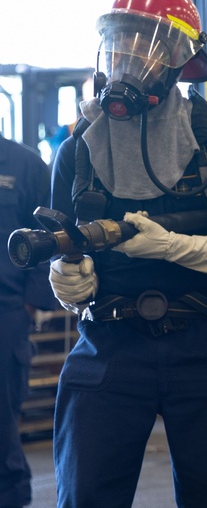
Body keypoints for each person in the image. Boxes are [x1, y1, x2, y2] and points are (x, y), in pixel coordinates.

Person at [47, 0, 207, 507]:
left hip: (205, 343)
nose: (130, 56)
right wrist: (67, 279)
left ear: (181, 60)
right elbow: (61, 250)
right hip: (108, 343)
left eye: (147, 44)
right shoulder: (77, 150)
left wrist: (171, 246)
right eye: (121, 41)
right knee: (84, 495)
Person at [0, 138, 54, 508]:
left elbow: (50, 237)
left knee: (2, 428)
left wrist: (31, 306)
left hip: (6, 315)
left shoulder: (25, 164)